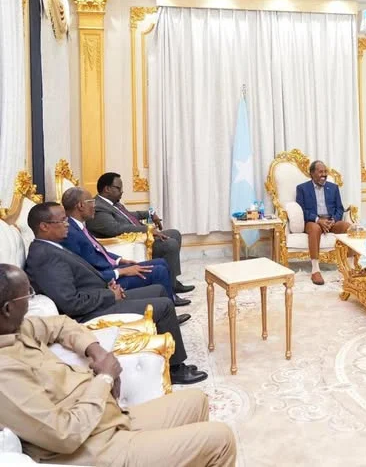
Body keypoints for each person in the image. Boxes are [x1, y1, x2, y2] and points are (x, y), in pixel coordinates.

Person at [0, 264, 236, 466]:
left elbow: (60, 324)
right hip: (98, 449)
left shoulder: (15, 329)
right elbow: (65, 434)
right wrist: (105, 378)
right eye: (27, 295)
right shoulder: (5, 374)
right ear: (8, 309)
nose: (31, 300)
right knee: (221, 439)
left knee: (196, 400)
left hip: (108, 420)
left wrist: (97, 352)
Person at [23, 202, 205, 385]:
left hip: (99, 296)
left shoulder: (52, 247)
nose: (67, 224)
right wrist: (110, 295)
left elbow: (79, 280)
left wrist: (107, 285)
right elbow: (71, 303)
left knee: (159, 290)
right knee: (164, 306)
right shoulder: (45, 257)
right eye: (62, 220)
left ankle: (159, 347)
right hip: (89, 313)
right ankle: (175, 370)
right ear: (44, 226)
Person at [60, 187, 190, 307]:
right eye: (91, 202)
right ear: (81, 205)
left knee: (161, 262)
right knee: (159, 271)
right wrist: (122, 271)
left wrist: (120, 260)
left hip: (111, 269)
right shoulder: (71, 234)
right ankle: (167, 309)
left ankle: (171, 298)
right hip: (106, 281)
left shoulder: (78, 226)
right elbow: (86, 273)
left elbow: (98, 250)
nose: (94, 205)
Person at [86, 172, 193, 296]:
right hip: (130, 243)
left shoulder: (113, 203)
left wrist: (149, 214)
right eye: (118, 188)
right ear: (107, 189)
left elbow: (129, 216)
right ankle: (171, 288)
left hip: (139, 237)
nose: (122, 191)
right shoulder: (99, 208)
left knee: (175, 234)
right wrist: (147, 230)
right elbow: (116, 228)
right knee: (170, 244)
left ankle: (173, 280)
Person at [295, 160, 352, 285]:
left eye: (325, 172)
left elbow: (340, 209)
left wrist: (333, 220)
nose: (324, 174)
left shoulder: (333, 187)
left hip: (331, 221)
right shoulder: (302, 188)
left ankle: (351, 266)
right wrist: (318, 220)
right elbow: (301, 210)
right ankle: (315, 270)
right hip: (313, 221)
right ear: (312, 173)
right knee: (315, 228)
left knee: (348, 227)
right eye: (320, 172)